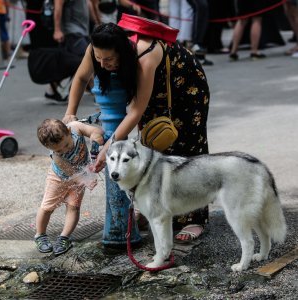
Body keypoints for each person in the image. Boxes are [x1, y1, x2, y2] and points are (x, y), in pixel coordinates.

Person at [62, 21, 210, 245]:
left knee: (187, 150)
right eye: (99, 59)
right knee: (151, 147)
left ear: (122, 51)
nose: (102, 64)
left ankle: (193, 218)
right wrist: (70, 114)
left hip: (184, 89)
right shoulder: (97, 49)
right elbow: (81, 78)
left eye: (109, 60)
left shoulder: (146, 54)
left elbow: (136, 113)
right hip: (151, 90)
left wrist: (107, 149)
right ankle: (156, 205)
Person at [34, 118, 104, 255]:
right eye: (59, 150)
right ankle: (40, 235)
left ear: (69, 132)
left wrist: (95, 135)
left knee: (73, 206)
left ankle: (64, 237)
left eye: (66, 145)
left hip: (80, 173)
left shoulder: (76, 127)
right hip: (59, 178)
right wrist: (86, 181)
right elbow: (73, 174)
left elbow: (96, 130)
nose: (64, 150)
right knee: (47, 207)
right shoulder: (56, 156)